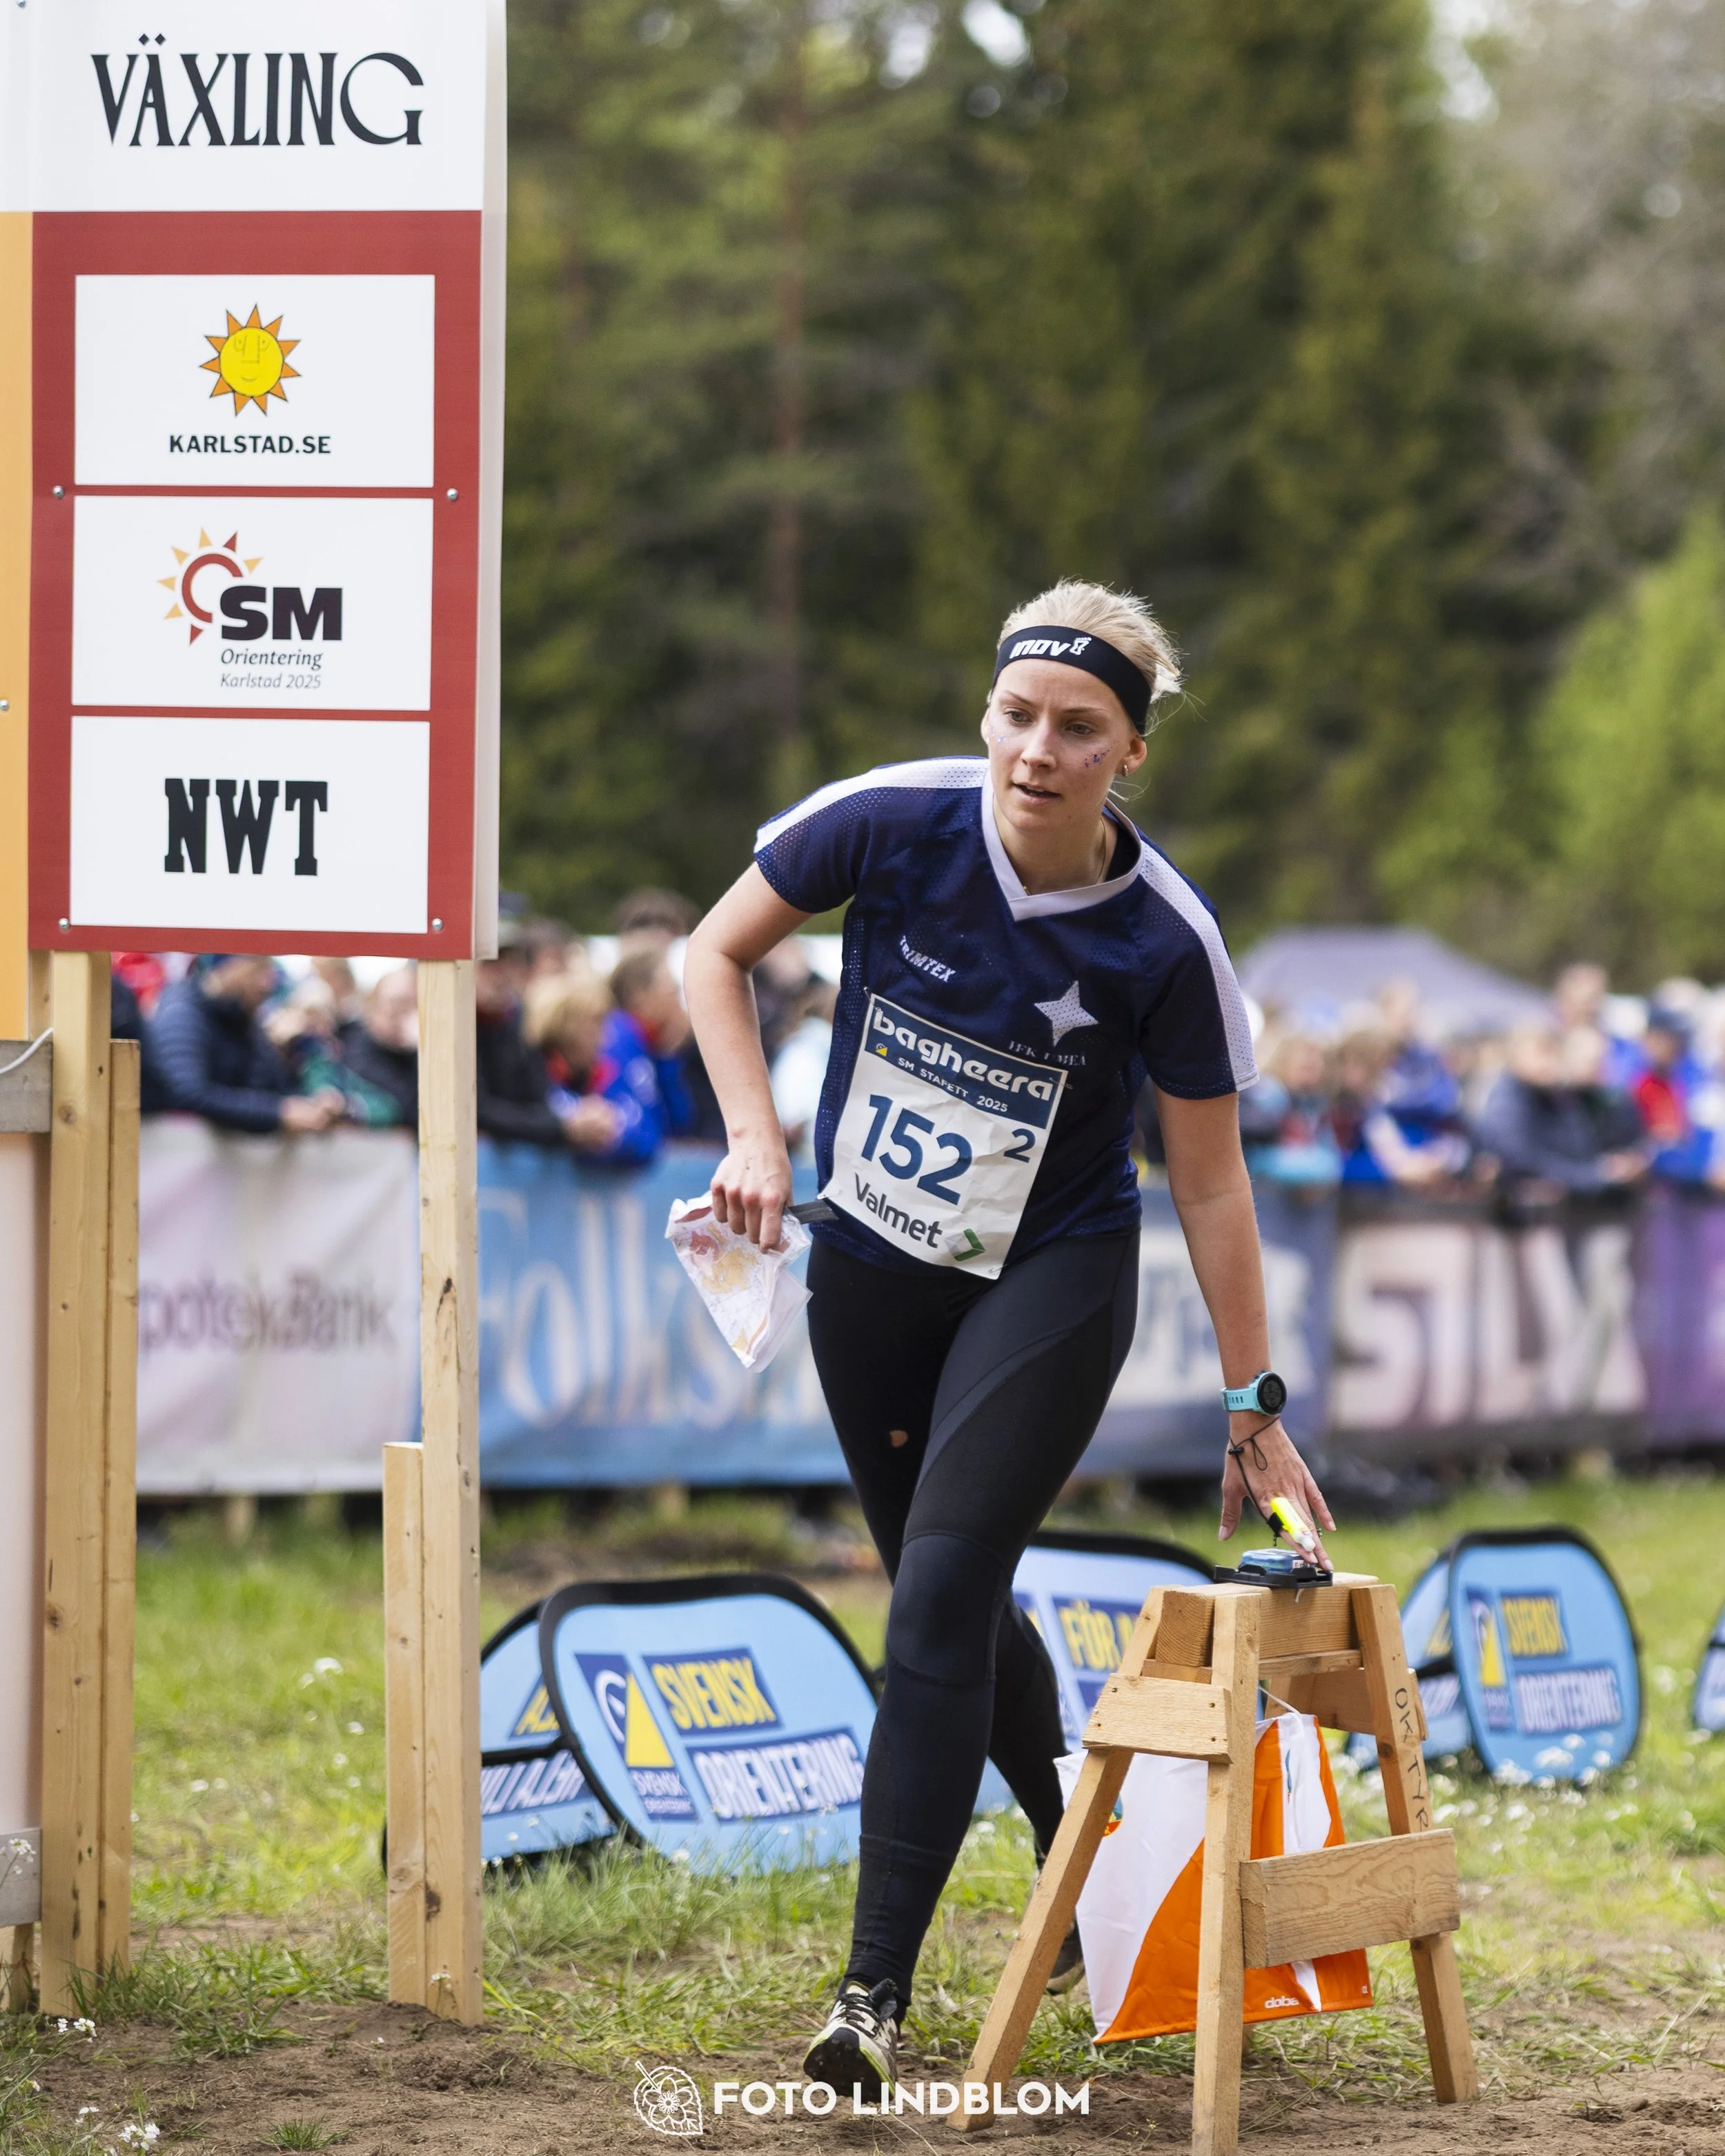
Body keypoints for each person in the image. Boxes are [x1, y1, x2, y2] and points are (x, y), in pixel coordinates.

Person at [682, 577, 1333, 2098]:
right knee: (942, 1586)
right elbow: (711, 954)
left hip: (1049, 1272)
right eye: (1017, 715)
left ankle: (869, 1997)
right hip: (872, 1258)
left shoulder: (1165, 935)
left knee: (939, 1597)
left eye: (1078, 728)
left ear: (1128, 756)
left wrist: (1251, 1400)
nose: (1037, 749)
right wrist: (753, 1137)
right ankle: (1074, 1855)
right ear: (988, 712)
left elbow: (1211, 1171)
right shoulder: (889, 816)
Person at [148, 954, 344, 1135]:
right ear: (227, 968)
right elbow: (185, 1093)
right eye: (258, 969)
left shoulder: (244, 1019)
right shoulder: (182, 1013)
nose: (268, 983)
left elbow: (272, 1087)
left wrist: (315, 1100)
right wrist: (276, 1114)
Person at [1472, 1024, 1645, 1196]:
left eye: (1553, 1053)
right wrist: (1592, 1175)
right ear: (1517, 1056)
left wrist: (1606, 1168)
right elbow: (1523, 1160)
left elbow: (1578, 1147)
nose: (1549, 1062)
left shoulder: (1553, 1095)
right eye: (1542, 1053)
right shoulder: (1507, 1100)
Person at [1238, 1032, 1339, 1183]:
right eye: (1306, 1052)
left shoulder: (1316, 1103)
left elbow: (1331, 1153)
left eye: (1317, 1055)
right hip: (1265, 1192)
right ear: (1284, 1059)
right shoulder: (1267, 1094)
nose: (1312, 1060)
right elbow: (1254, 1152)